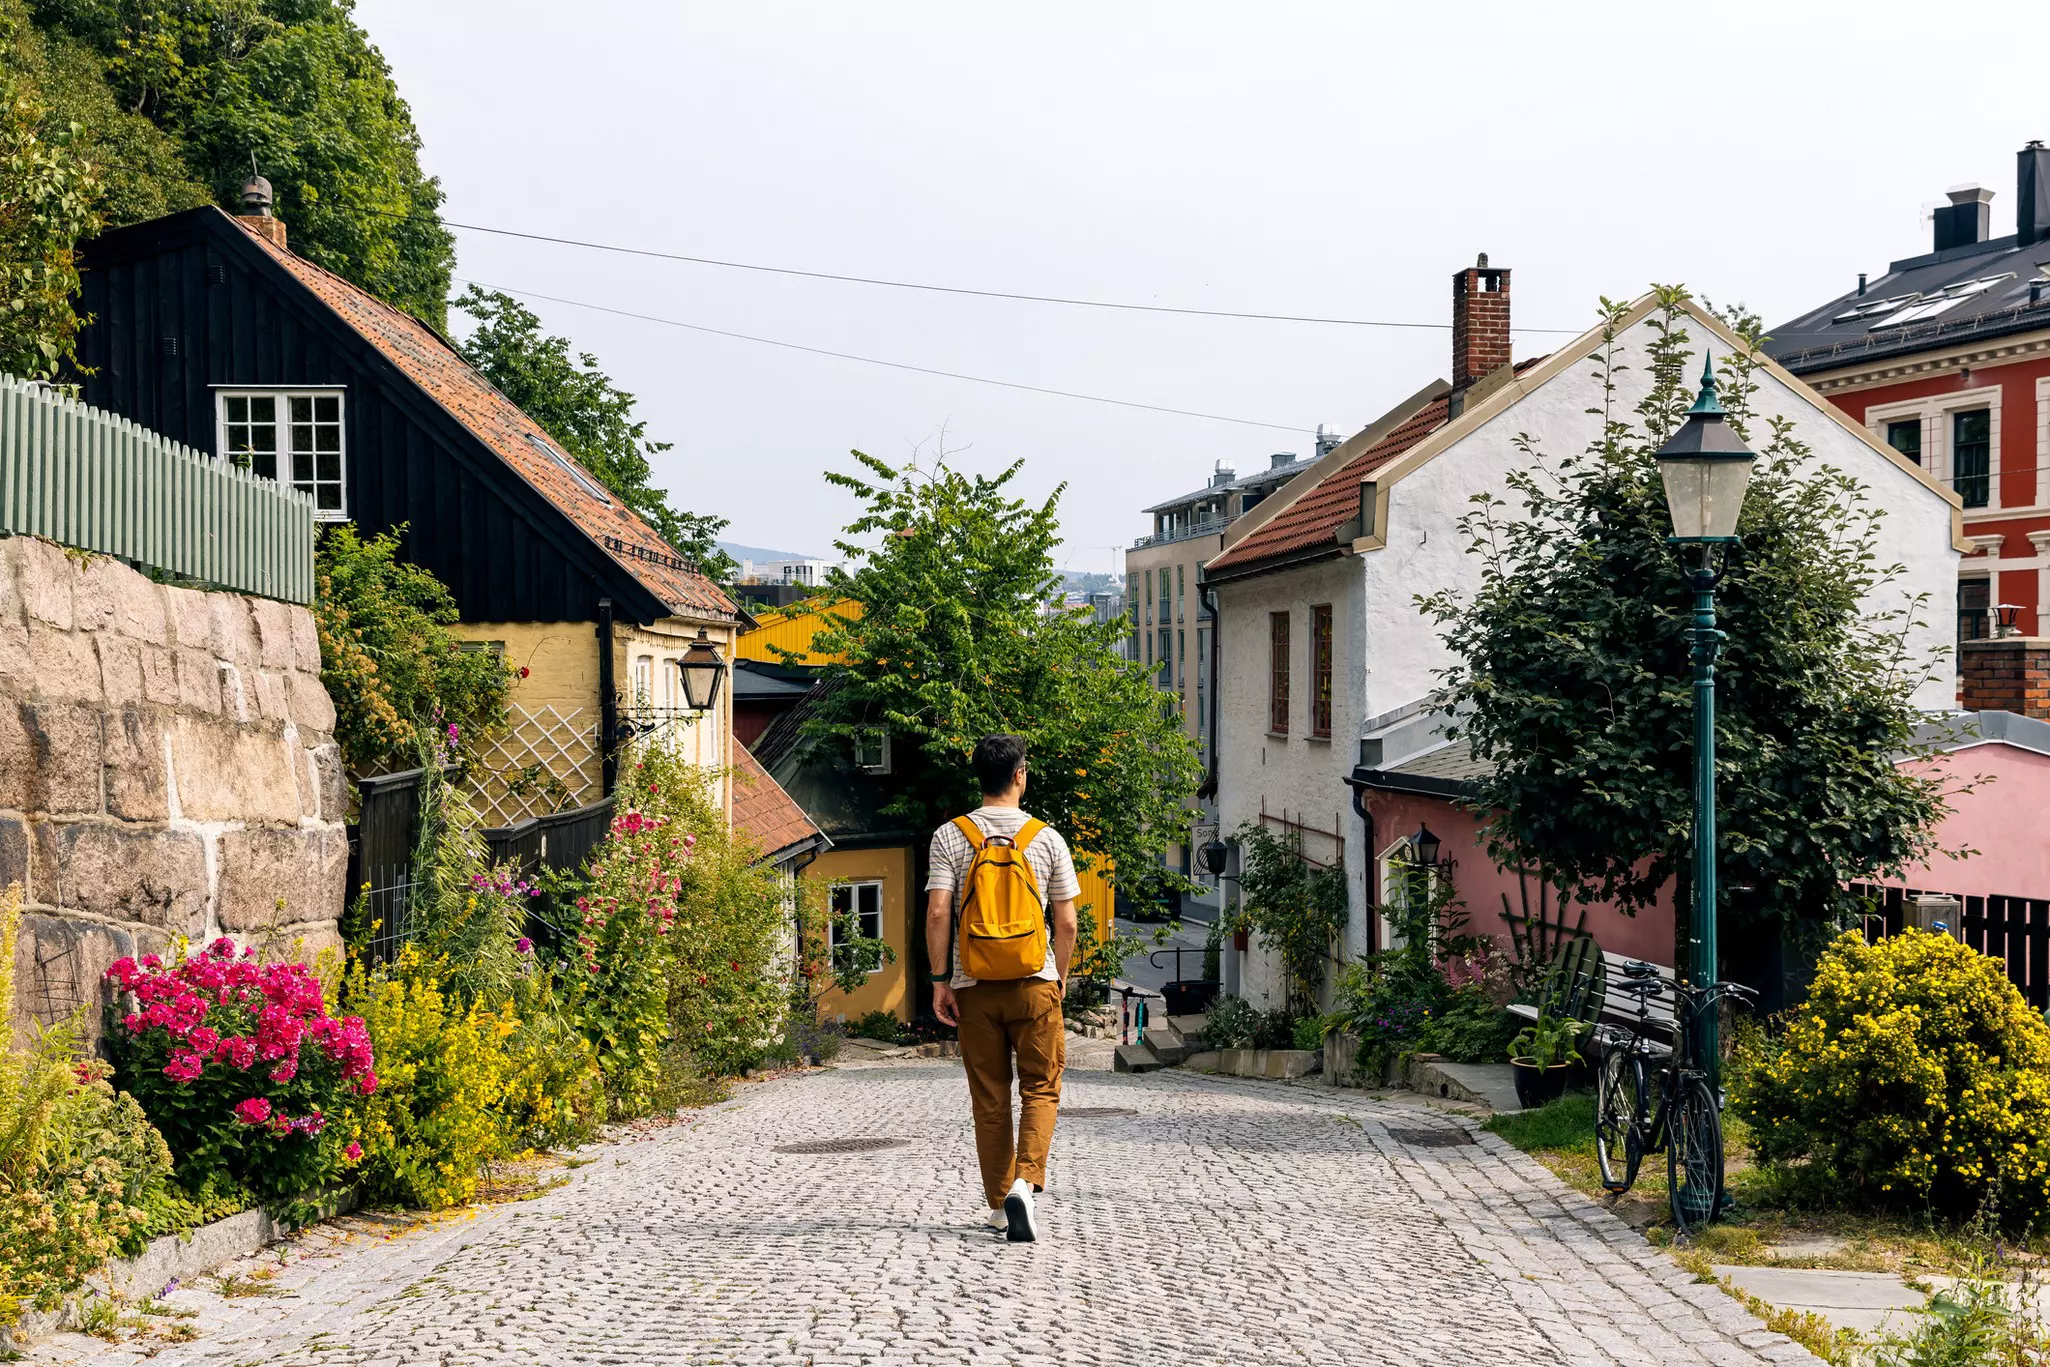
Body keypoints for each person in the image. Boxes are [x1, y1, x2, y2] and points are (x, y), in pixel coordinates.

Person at [926, 734, 1080, 1243]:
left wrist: (940, 982)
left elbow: (938, 913)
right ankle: (1024, 1183)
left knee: (989, 1098)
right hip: (1034, 981)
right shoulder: (1048, 839)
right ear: (1020, 775)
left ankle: (998, 1204)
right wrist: (1058, 976)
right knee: (1040, 1087)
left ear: (979, 776)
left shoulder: (950, 836)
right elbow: (1068, 922)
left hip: (974, 985)